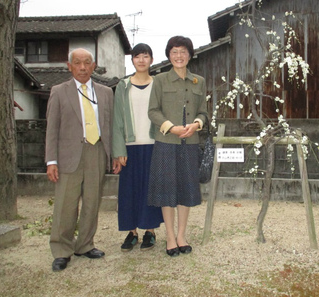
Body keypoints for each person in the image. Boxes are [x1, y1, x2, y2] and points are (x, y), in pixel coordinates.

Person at [45, 48, 114, 272]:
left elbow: (110, 126)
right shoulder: (58, 91)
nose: (82, 67)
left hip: (96, 151)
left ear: (94, 66)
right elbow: (51, 128)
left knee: (92, 202)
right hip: (68, 155)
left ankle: (84, 245)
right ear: (69, 66)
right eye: (77, 63)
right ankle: (61, 250)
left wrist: (113, 154)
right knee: (66, 204)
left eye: (87, 63)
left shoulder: (105, 92)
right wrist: (51, 160)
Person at [148, 35, 207, 257]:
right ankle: (170, 237)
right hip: (166, 142)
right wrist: (170, 127)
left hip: (190, 143)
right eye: (174, 52)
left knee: (186, 190)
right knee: (166, 190)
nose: (179, 56)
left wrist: (197, 124)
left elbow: (204, 111)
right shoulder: (160, 80)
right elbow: (153, 111)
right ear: (169, 55)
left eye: (183, 51)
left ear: (190, 55)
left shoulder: (198, 81)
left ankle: (182, 235)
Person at [112, 43, 164, 252]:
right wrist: (118, 150)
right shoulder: (123, 86)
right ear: (132, 60)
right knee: (129, 191)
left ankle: (150, 231)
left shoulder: (158, 84)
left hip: (154, 144)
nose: (141, 60)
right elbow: (117, 120)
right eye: (137, 56)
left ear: (151, 59)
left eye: (145, 56)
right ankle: (132, 232)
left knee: (151, 190)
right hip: (130, 146)